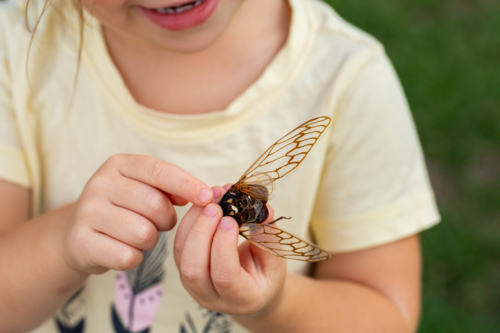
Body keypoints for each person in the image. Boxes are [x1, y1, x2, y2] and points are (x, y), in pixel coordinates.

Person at [0, 0, 440, 331]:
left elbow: (387, 315)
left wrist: (275, 304)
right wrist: (62, 244)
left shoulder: (348, 79)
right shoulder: (14, 48)